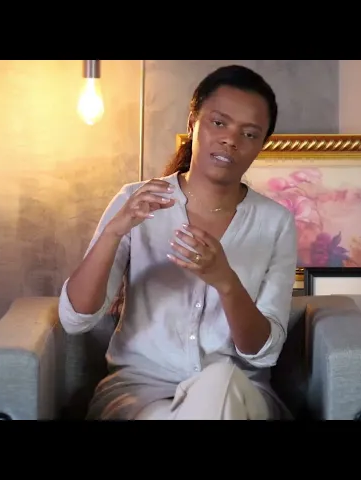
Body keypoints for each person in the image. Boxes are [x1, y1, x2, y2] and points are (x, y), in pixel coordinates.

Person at [58, 65, 298, 420]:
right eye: (219, 123)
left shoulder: (276, 223)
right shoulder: (134, 201)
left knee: (219, 385)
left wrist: (226, 281)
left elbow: (262, 352)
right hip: (141, 392)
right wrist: (113, 232)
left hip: (237, 393)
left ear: (261, 145)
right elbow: (75, 320)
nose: (231, 140)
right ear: (192, 123)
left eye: (249, 133)